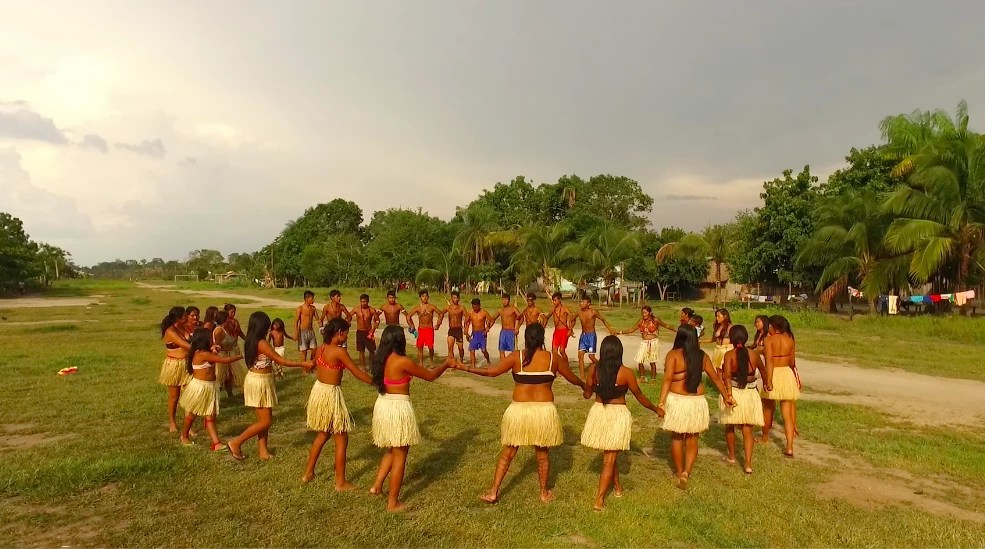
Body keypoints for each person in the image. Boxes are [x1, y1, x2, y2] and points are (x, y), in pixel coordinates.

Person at [455, 322, 584, 504]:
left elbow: (491, 372)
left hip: (518, 411)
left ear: (526, 339)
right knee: (542, 454)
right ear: (542, 338)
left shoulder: (517, 357)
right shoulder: (552, 358)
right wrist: (585, 386)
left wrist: (464, 367)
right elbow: (573, 379)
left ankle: (494, 492)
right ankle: (543, 493)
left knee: (508, 453)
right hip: (543, 412)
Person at [368, 325, 458, 512]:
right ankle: (393, 503)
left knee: (393, 449)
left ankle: (376, 486)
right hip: (398, 407)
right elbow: (430, 376)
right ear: (399, 341)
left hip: (383, 404)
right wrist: (446, 364)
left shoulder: (380, 359)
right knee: (400, 454)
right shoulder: (402, 361)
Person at [581, 336, 659, 511]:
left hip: (599, 413)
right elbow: (639, 396)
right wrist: (655, 409)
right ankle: (599, 500)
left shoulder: (594, 369)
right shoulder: (626, 373)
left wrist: (589, 386)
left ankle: (617, 487)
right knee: (609, 458)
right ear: (619, 352)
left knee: (610, 453)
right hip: (618, 415)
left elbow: (586, 395)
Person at [657, 325, 736, 490]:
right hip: (697, 402)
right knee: (693, 438)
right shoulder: (702, 356)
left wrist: (661, 402)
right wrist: (726, 396)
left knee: (677, 437)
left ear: (679, 337)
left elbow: (667, 380)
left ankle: (679, 472)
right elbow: (715, 378)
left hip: (678, 400)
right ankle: (687, 472)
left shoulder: (673, 355)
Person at [226, 312, 313, 460]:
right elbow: (281, 361)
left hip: (261, 380)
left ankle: (263, 452)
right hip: (259, 381)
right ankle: (236, 442)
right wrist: (302, 363)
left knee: (264, 420)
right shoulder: (262, 343)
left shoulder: (252, 340)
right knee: (266, 421)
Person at [303, 318, 374, 489]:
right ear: (340, 333)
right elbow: (356, 372)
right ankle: (340, 482)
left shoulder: (321, 348)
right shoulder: (339, 351)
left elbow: (311, 366)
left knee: (323, 434)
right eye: (345, 335)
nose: (346, 338)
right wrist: (377, 383)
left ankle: (308, 473)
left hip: (319, 392)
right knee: (341, 438)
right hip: (330, 395)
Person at [178, 327, 243, 451]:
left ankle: (216, 443)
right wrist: (242, 356)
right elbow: (224, 360)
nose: (213, 340)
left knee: (210, 415)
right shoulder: (202, 354)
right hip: (200, 388)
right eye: (210, 338)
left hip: (209, 387)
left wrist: (214, 350)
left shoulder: (203, 352)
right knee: (192, 414)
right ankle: (184, 435)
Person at [719, 325, 768, 474]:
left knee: (730, 425)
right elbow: (764, 372)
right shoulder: (754, 354)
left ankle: (732, 457)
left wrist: (728, 395)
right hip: (750, 394)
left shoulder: (729, 355)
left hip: (734, 392)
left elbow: (726, 376)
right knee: (748, 430)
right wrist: (767, 384)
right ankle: (748, 464)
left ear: (732, 339)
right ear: (746, 338)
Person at [759, 315, 800, 457]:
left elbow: (769, 360)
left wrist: (768, 379)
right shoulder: (790, 340)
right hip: (787, 374)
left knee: (768, 408)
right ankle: (789, 447)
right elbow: (792, 363)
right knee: (787, 414)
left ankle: (765, 438)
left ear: (772, 326)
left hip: (774, 373)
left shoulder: (768, 339)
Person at [616, 305, 675, 383]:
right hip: (644, 343)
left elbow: (666, 325)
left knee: (652, 361)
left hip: (653, 342)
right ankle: (642, 377)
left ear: (650, 313)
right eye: (642, 313)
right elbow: (632, 329)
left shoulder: (655, 320)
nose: (644, 315)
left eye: (645, 313)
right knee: (640, 360)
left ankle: (653, 379)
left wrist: (676, 330)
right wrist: (620, 332)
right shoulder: (641, 321)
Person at [160, 306, 192, 432]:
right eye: (185, 315)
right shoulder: (170, 331)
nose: (187, 317)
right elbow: (186, 345)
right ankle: (172, 422)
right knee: (174, 396)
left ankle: (188, 426)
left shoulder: (183, 327)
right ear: (179, 318)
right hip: (174, 366)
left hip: (186, 363)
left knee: (188, 395)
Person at [571, 296, 616, 379]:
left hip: (591, 336)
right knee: (580, 355)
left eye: (583, 302)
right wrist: (570, 329)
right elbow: (571, 319)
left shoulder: (593, 312)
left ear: (588, 304)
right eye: (581, 302)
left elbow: (603, 320)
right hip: (583, 336)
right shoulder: (579, 312)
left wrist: (610, 330)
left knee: (591, 356)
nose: (581, 303)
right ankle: (582, 376)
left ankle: (603, 368)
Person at [406, 290, 440, 366]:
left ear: (428, 297)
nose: (424, 298)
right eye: (423, 296)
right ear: (420, 297)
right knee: (420, 347)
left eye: (426, 296)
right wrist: (412, 326)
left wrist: (438, 324)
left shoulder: (432, 307)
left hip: (429, 329)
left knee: (430, 347)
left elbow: (440, 314)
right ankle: (421, 364)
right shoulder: (418, 308)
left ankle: (431, 361)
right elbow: (408, 316)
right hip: (421, 330)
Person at [213, 311, 243, 398]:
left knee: (229, 376)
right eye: (227, 319)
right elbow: (216, 345)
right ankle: (214, 396)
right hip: (223, 356)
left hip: (229, 355)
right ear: (224, 320)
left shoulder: (225, 329)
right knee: (220, 378)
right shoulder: (219, 331)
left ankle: (230, 395)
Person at [350, 294, 380, 371]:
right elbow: (348, 316)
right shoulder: (356, 309)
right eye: (362, 301)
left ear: (368, 301)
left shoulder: (372, 310)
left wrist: (373, 328)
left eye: (365, 302)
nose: (363, 303)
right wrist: (347, 322)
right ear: (360, 301)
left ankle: (372, 365)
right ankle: (363, 367)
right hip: (360, 332)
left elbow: (377, 320)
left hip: (368, 332)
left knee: (372, 350)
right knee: (361, 350)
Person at [489, 294, 521, 363]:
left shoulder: (513, 309)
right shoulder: (500, 310)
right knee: (501, 349)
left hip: (511, 331)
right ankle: (503, 365)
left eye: (506, 299)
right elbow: (493, 319)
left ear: (509, 300)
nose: (504, 301)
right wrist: (488, 328)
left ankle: (513, 364)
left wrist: (517, 328)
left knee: (513, 350)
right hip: (503, 332)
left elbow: (521, 317)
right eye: (503, 299)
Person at [437, 291, 467, 362]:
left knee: (460, 348)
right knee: (450, 347)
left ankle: (461, 360)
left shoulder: (461, 308)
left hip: (458, 329)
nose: (456, 299)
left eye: (457, 298)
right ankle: (452, 361)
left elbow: (467, 317)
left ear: (459, 298)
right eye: (454, 298)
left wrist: (466, 328)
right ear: (451, 298)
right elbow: (441, 314)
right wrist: (438, 324)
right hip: (451, 329)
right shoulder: (448, 308)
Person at [546, 292, 574, 367]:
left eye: (555, 300)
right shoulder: (553, 309)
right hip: (556, 332)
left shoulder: (565, 309)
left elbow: (573, 319)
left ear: (560, 300)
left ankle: (566, 366)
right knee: (554, 351)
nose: (554, 302)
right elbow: (546, 318)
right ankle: (556, 367)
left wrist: (570, 329)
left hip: (564, 331)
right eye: (553, 300)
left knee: (562, 351)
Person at [464, 298, 492, 368]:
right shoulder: (470, 313)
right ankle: (473, 366)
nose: (475, 309)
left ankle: (488, 360)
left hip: (482, 333)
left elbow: (491, 320)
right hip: (474, 334)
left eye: (476, 307)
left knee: (483, 350)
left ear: (479, 305)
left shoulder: (484, 312)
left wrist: (488, 328)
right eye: (473, 307)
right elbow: (466, 322)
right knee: (472, 350)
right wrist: (466, 332)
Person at [295, 291, 320, 363]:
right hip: (302, 331)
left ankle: (311, 365)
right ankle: (304, 369)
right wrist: (296, 332)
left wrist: (321, 327)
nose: (313, 300)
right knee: (304, 351)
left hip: (311, 331)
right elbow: (296, 321)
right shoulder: (300, 308)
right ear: (307, 299)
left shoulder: (313, 308)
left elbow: (318, 319)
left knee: (314, 349)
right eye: (312, 298)